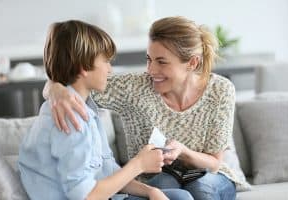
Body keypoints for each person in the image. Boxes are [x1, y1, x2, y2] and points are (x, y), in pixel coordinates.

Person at [43, 16, 246, 200]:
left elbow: (214, 163)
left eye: (161, 62)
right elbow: (75, 81)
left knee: (201, 190)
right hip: (156, 176)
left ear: (192, 63)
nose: (151, 70)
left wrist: (183, 152)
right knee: (169, 190)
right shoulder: (134, 88)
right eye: (149, 59)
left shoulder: (220, 90)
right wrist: (56, 90)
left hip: (207, 175)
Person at [18, 20, 194, 200]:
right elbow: (86, 197)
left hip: (110, 195)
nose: (110, 69)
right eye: (106, 61)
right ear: (84, 67)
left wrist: (150, 191)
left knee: (180, 196)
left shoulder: (86, 110)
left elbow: (108, 172)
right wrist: (139, 164)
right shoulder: (70, 118)